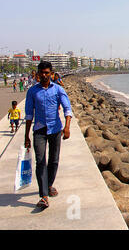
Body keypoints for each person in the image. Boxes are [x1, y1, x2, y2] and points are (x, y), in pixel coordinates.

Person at [24, 61, 72, 209]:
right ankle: (44, 195)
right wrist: (26, 136)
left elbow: (67, 108)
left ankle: (49, 184)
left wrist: (67, 127)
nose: (44, 75)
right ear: (38, 74)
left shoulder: (58, 90)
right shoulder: (32, 91)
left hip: (56, 130)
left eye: (47, 73)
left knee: (54, 160)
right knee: (40, 161)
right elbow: (28, 115)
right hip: (39, 130)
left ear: (51, 74)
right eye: (41, 73)